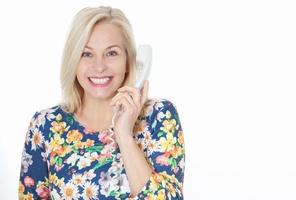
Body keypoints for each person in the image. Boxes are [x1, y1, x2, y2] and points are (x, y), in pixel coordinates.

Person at [18, 6, 185, 200]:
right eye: (86, 54)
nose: (99, 67)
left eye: (111, 53)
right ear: (73, 60)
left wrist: (124, 136)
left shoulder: (159, 117)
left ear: (129, 60)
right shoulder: (45, 125)